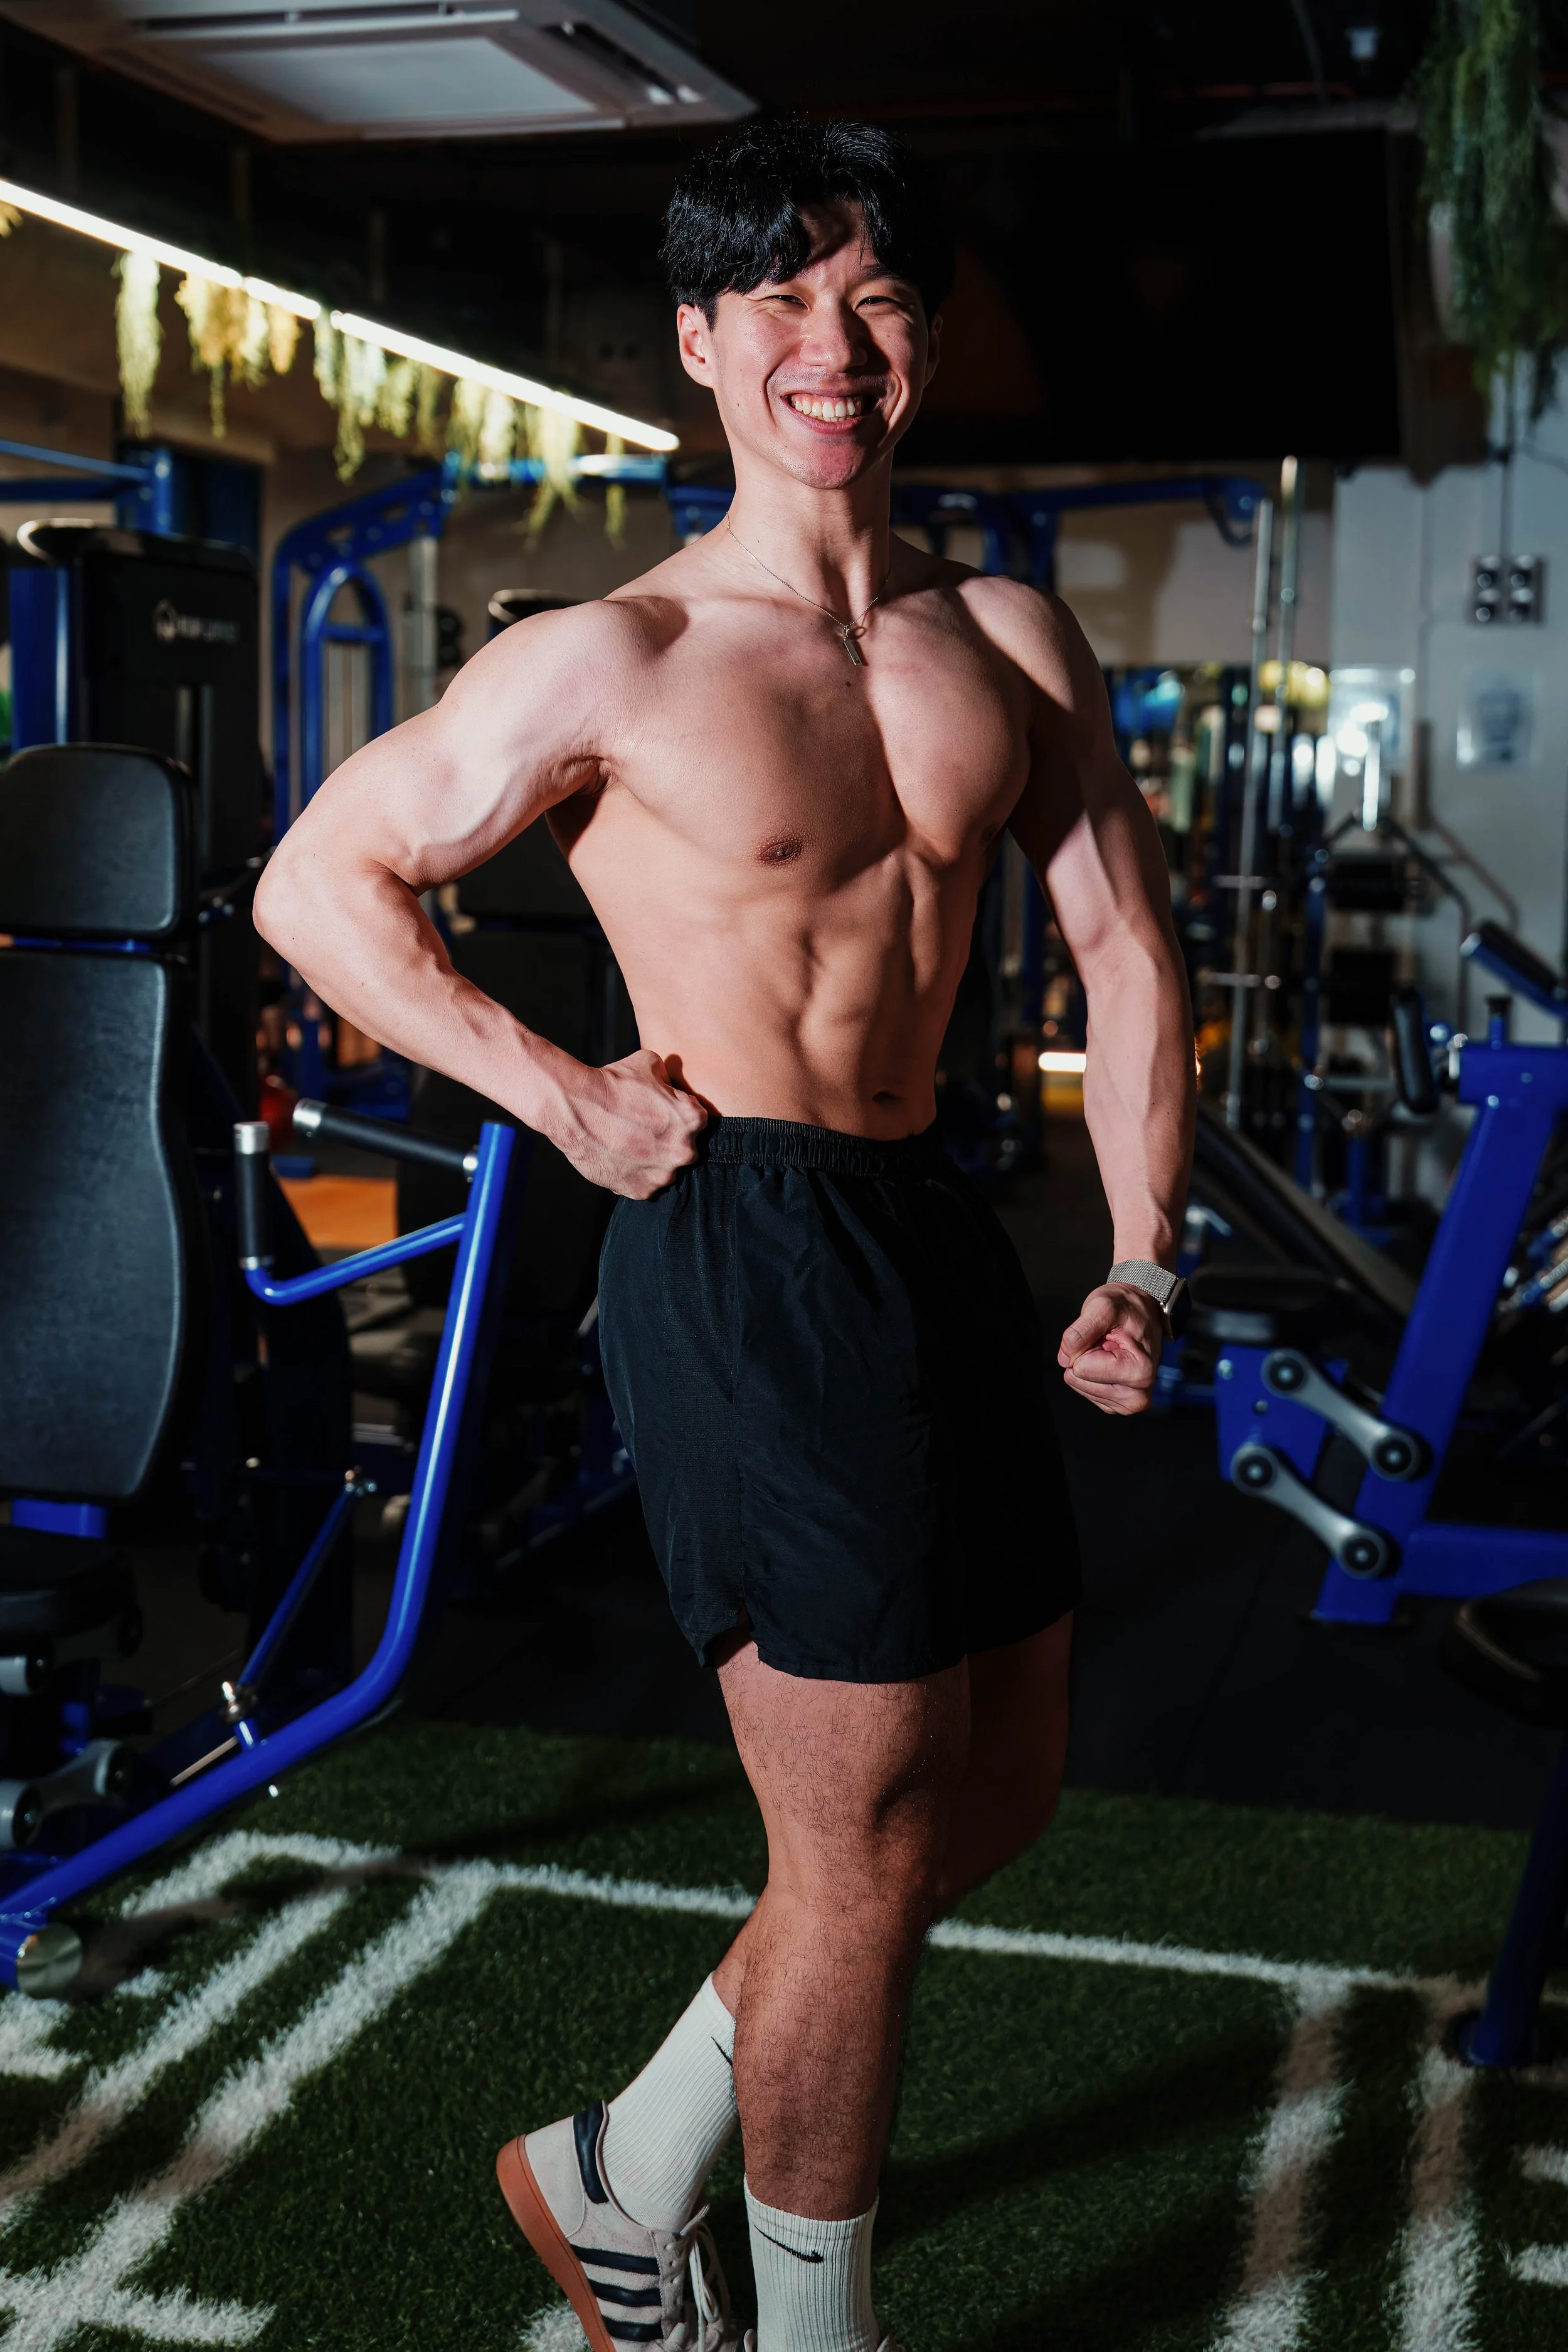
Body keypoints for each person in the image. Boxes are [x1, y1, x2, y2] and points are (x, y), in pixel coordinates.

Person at [255, 115, 1194, 2352]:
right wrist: (561, 1094)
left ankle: (618, 2168)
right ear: (697, 342)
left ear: (926, 339)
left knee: (996, 1793)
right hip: (735, 1224)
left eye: (869, 300)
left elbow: (1129, 946)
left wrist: (1143, 1248)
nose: (827, 348)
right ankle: (801, 2324)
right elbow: (321, 879)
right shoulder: (620, 652)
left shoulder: (1005, 638)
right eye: (775, 300)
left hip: (932, 1218)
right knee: (860, 1834)